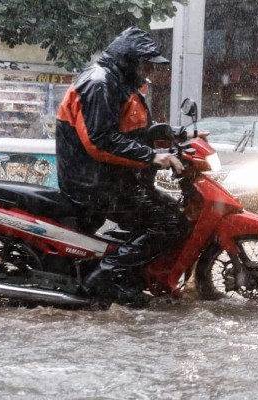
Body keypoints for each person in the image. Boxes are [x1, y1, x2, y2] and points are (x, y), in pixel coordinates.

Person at [55, 27, 188, 307]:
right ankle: (106, 278)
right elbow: (100, 142)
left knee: (171, 213)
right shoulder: (100, 83)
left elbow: (137, 129)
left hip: (113, 180)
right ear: (128, 59)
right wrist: (151, 157)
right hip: (94, 183)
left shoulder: (119, 83)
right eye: (144, 62)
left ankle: (125, 272)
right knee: (168, 222)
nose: (148, 69)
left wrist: (180, 135)